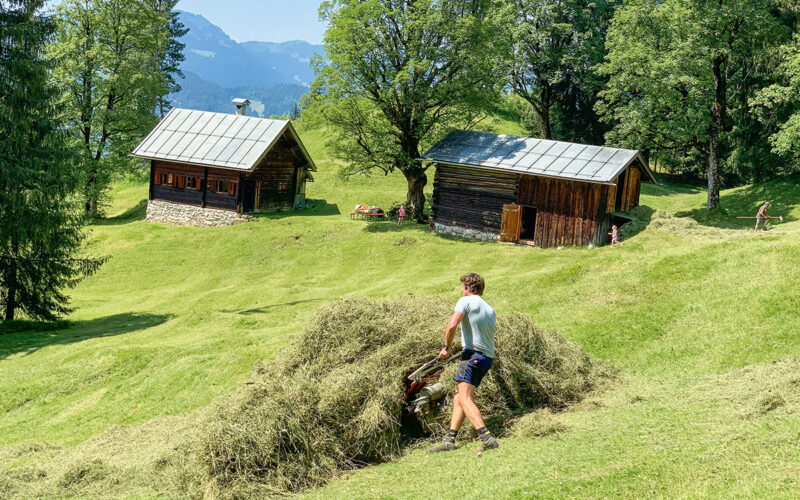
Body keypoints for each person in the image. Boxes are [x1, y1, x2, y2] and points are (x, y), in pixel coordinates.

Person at [429, 273, 498, 453]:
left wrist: (446, 347)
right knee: (459, 397)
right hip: (487, 358)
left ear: (468, 287)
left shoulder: (465, 301)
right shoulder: (489, 309)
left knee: (465, 397)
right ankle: (450, 440)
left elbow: (452, 325)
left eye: (462, 287)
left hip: (472, 356)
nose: (461, 289)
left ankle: (486, 436)